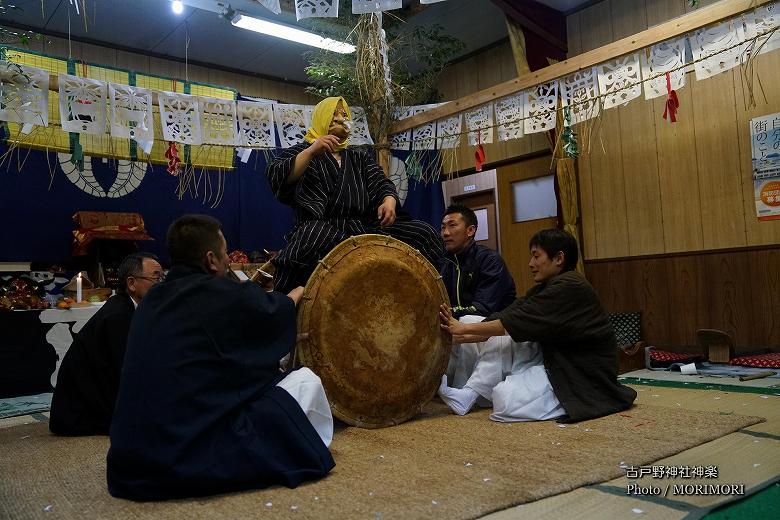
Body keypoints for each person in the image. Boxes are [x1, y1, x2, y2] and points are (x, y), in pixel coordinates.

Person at [107, 215, 335, 501]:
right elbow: (273, 313)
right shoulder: (221, 292)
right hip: (181, 458)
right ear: (211, 259)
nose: (229, 259)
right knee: (305, 381)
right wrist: (300, 291)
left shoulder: (151, 300)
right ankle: (313, 442)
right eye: (226, 252)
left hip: (128, 462)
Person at [438, 228, 637, 423]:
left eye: (536, 256)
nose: (531, 263)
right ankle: (469, 394)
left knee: (504, 399)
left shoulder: (571, 286)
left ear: (558, 258)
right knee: (469, 320)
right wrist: (456, 333)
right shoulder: (545, 286)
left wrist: (463, 331)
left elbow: (514, 322)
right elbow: (509, 315)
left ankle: (481, 393)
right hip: (551, 358)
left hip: (578, 374)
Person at [266, 96, 443, 293]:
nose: (341, 118)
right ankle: (284, 303)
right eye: (334, 114)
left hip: (362, 227)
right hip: (320, 226)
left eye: (344, 115)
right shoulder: (303, 151)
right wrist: (312, 150)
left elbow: (381, 182)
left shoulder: (358, 158)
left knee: (423, 233)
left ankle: (433, 297)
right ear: (322, 117)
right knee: (311, 238)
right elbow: (279, 175)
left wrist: (389, 201)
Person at [49, 253, 163, 436]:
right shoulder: (117, 316)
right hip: (80, 411)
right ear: (132, 283)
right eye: (156, 278)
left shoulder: (130, 307)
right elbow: (124, 370)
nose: (161, 284)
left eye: (162, 277)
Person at [440, 204, 515, 318]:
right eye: (443, 227)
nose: (445, 233)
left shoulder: (490, 260)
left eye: (452, 226)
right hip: (459, 329)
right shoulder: (445, 263)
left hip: (495, 331)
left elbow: (483, 309)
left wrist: (444, 313)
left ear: (470, 230)